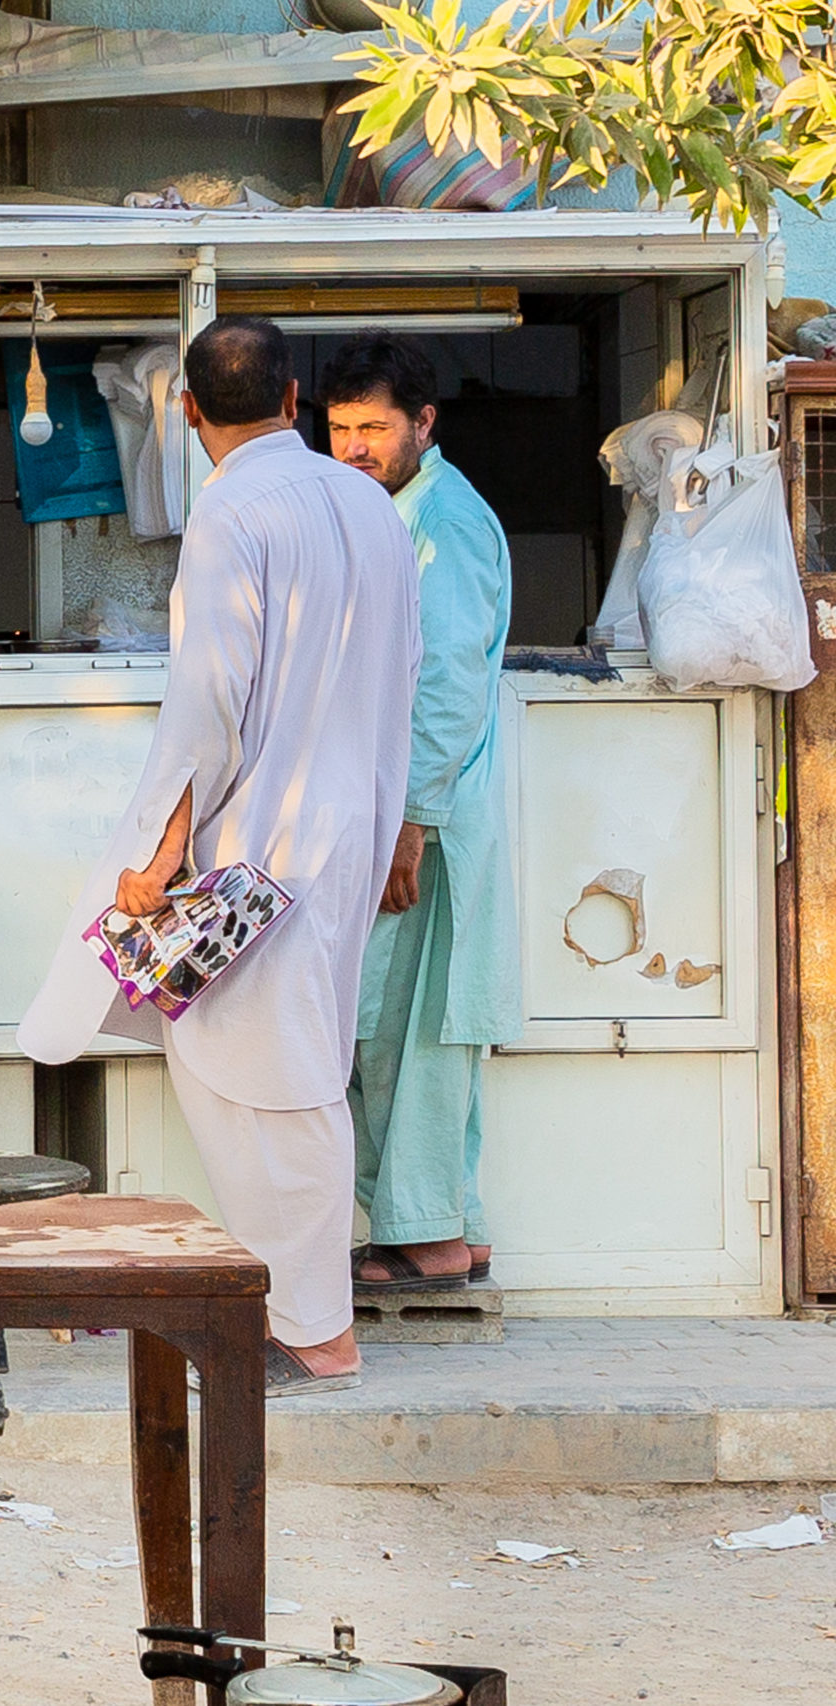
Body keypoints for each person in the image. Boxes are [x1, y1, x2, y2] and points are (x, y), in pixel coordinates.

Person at [18, 316, 420, 1398]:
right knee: (290, 1066)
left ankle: (313, 1332)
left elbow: (208, 703)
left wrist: (160, 854)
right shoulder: (369, 505)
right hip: (344, 830)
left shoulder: (231, 512)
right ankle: (297, 1316)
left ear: (187, 411)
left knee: (266, 1081)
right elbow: (405, 674)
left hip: (257, 843)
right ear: (292, 399)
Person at [322, 333, 520, 1294]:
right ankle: (454, 1229)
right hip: (408, 811)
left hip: (425, 823)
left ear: (424, 424)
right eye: (339, 428)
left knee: (395, 1030)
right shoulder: (388, 513)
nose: (355, 446)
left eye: (375, 427)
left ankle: (425, 1239)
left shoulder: (444, 520)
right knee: (405, 1025)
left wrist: (408, 821)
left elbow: (445, 686)